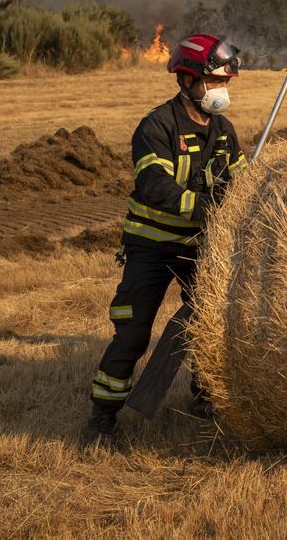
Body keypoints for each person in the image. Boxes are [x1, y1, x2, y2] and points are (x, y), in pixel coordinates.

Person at [82, 33, 247, 446]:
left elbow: (244, 181)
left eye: (225, 83)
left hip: (199, 246)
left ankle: (205, 397)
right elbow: (155, 186)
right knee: (133, 333)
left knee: (209, 324)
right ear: (187, 80)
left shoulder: (223, 132)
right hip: (151, 246)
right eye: (214, 82)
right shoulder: (156, 126)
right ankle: (102, 416)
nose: (221, 91)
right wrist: (208, 204)